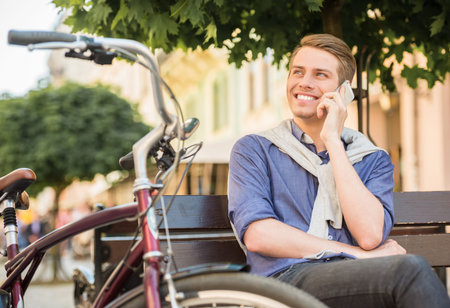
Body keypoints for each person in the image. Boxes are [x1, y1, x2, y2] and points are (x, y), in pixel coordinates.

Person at [228, 33, 450, 308]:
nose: (304, 82)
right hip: (280, 283)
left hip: (351, 284)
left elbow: (369, 235)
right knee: (409, 271)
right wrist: (356, 255)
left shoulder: (371, 159)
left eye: (320, 75)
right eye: (298, 72)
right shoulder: (255, 150)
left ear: (344, 92)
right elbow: (259, 235)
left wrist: (333, 140)